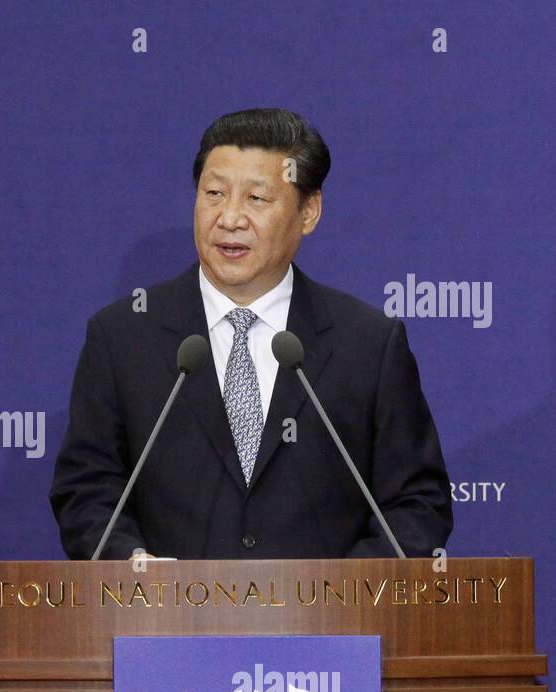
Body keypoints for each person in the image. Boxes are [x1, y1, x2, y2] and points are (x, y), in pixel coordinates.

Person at [50, 108, 452, 560]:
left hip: (329, 626)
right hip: (164, 624)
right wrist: (135, 569)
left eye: (257, 199)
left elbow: (417, 503)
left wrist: (343, 596)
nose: (230, 218)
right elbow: (87, 489)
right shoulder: (122, 337)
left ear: (309, 211)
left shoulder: (368, 343)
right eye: (215, 193)